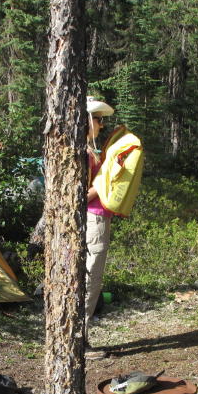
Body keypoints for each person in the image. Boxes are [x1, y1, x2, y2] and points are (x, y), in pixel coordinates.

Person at [84, 96, 115, 357]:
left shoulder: (87, 150)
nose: (101, 125)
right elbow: (79, 196)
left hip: (95, 218)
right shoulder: (82, 152)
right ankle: (79, 342)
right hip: (92, 219)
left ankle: (78, 339)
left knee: (90, 279)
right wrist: (104, 182)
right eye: (98, 119)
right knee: (90, 279)